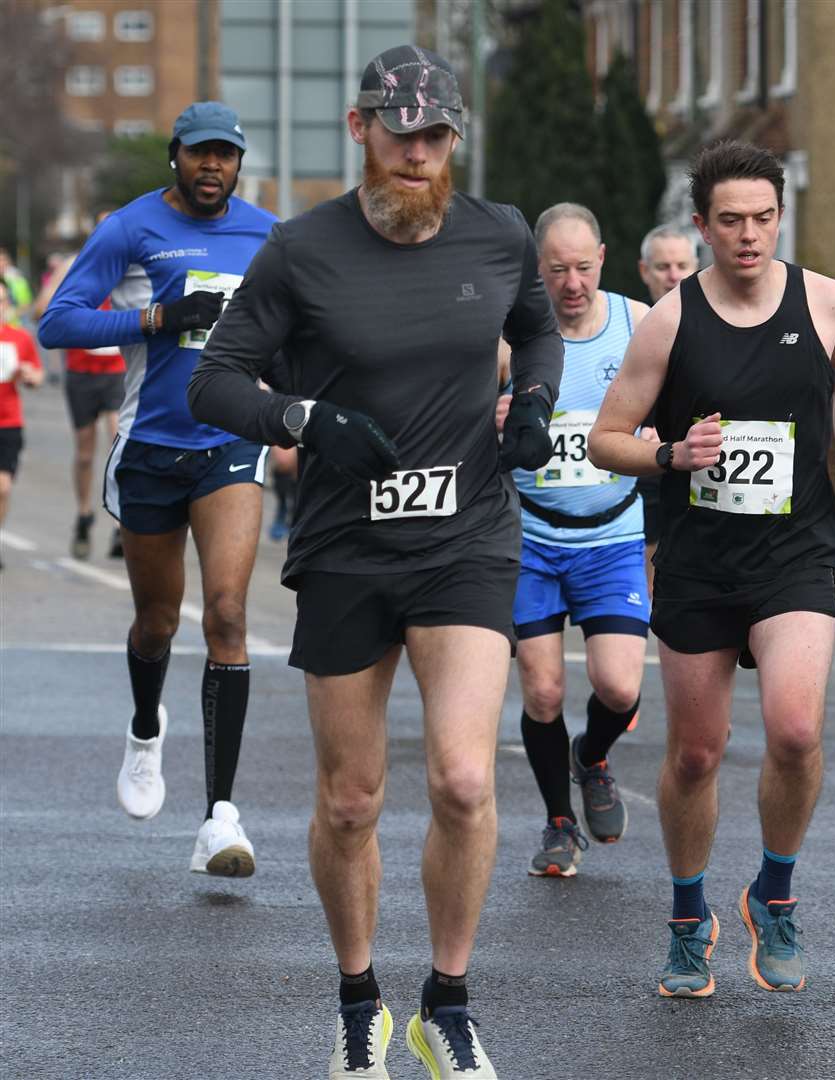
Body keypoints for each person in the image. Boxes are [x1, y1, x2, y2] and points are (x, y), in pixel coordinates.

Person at [188, 45, 562, 1080]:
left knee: (460, 778)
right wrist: (303, 417)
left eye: (436, 134)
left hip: (466, 538)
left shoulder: (499, 234)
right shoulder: (301, 250)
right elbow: (214, 383)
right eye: (400, 133)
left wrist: (531, 401)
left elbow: (536, 331)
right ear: (360, 131)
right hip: (348, 546)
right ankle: (359, 1002)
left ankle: (447, 1001)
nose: (418, 152)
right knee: (351, 799)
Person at [589, 139, 835, 999]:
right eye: (729, 222)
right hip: (699, 562)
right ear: (702, 225)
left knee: (794, 731)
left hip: (795, 553)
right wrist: (672, 452)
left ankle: (774, 893)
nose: (747, 236)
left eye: (761, 219)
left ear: (779, 217)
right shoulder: (671, 319)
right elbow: (608, 439)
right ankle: (687, 917)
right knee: (695, 757)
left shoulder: (825, 301)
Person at [37, 101, 275, 878]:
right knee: (156, 622)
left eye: (226, 156)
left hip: (230, 445)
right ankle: (146, 729)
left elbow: (305, 325)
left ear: (240, 164)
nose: (213, 167)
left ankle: (219, 817)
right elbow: (59, 323)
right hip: (150, 447)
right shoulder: (131, 228)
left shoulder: (267, 234)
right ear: (175, 156)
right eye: (200, 154)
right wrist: (158, 317)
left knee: (230, 615)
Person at [510, 202, 650, 878]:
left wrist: (661, 435)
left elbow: (682, 399)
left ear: (603, 257)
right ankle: (558, 822)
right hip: (532, 537)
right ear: (538, 269)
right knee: (541, 694)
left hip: (614, 534)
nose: (572, 282)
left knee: (619, 688)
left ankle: (591, 757)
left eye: (584, 267)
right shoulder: (513, 332)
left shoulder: (638, 324)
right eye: (558, 269)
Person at [35, 242, 127, 560]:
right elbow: (40, 312)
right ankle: (85, 514)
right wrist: (63, 269)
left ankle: (119, 522)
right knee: (85, 454)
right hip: (81, 373)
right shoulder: (79, 271)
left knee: (119, 443)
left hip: (117, 371)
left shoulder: (129, 266)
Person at [634, 224, 699, 594]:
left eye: (681, 265)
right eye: (662, 267)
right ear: (645, 271)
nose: (673, 275)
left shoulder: (717, 324)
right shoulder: (630, 323)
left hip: (703, 469)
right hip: (647, 472)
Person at [0, 291, 45, 570]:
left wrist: (30, 376)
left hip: (8, 422)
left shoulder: (19, 338)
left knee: (2, 489)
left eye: (2, 301)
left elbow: (37, 375)